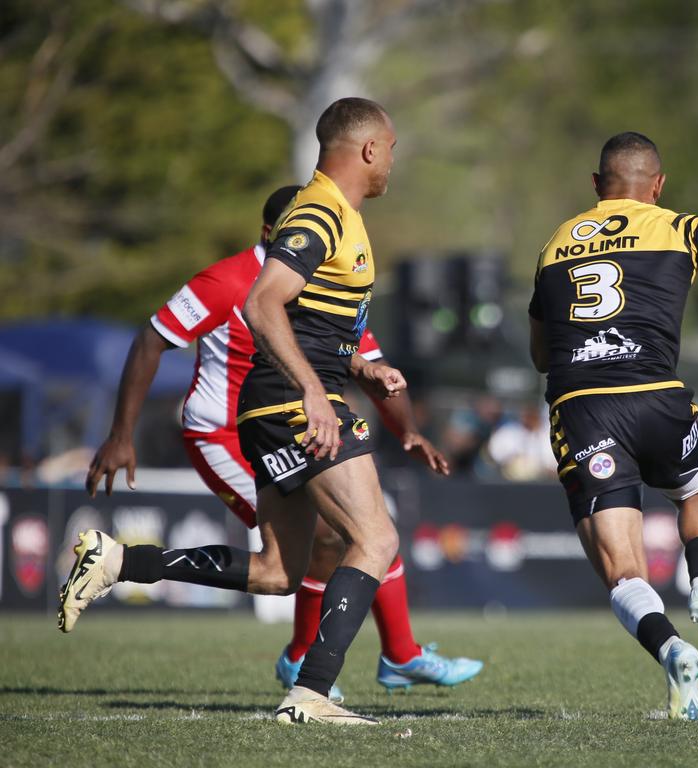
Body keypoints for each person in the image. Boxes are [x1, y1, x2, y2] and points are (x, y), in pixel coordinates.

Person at [59, 98, 429, 726]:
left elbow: (314, 325)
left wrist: (361, 367)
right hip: (292, 403)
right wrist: (316, 390)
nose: (393, 159)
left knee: (278, 571)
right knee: (376, 537)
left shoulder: (340, 217)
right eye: (391, 146)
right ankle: (313, 694)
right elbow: (264, 304)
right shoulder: (321, 213)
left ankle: (120, 560)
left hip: (271, 404)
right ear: (369, 149)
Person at [80, 186, 482, 702]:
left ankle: (368, 656)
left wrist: (406, 430)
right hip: (221, 431)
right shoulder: (229, 280)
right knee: (348, 534)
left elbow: (364, 363)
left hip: (292, 420)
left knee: (304, 556)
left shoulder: (324, 282)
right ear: (273, 233)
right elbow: (152, 338)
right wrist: (120, 434)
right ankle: (341, 665)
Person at [528, 132, 698, 720]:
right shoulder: (680, 226)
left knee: (620, 569)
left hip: (583, 405)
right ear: (658, 185)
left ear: (597, 186)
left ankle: (672, 647)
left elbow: (539, 352)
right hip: (657, 396)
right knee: (696, 491)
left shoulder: (556, 243)